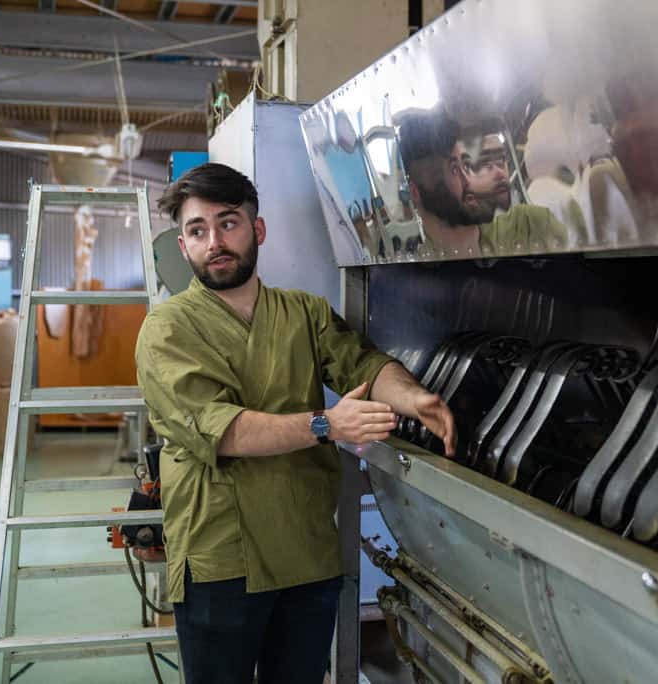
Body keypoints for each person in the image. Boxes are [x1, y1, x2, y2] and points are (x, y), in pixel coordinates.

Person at [134, 162, 456, 684]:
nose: (214, 241)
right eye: (197, 230)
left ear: (257, 230)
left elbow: (365, 365)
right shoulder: (166, 331)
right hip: (222, 561)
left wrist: (414, 398)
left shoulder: (303, 313)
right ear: (183, 244)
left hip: (306, 556)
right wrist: (328, 425)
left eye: (228, 223)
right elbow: (226, 431)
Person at [395, 109, 571, 257]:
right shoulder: (413, 272)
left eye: (465, 166)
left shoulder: (530, 226)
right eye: (454, 170)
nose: (468, 181)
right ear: (415, 193)